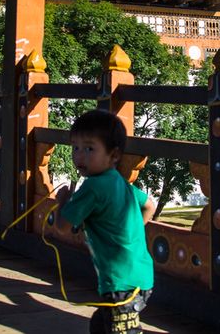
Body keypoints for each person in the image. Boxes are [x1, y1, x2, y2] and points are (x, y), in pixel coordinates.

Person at [56, 110, 156, 334]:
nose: (79, 155)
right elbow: (150, 205)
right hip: (141, 276)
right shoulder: (118, 182)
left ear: (114, 155)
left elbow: (62, 226)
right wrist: (132, 232)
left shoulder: (92, 187)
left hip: (120, 282)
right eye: (75, 148)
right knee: (101, 325)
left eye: (89, 148)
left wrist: (62, 201)